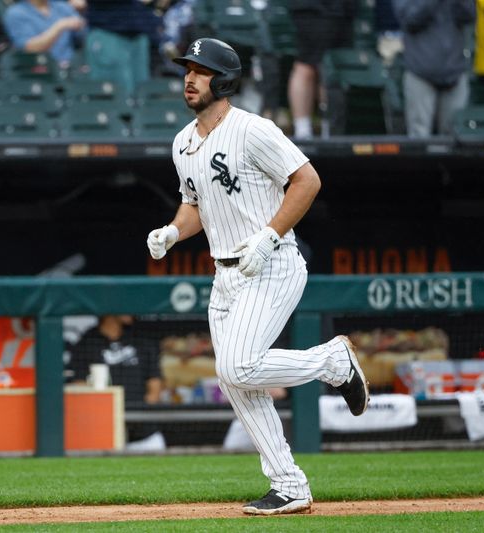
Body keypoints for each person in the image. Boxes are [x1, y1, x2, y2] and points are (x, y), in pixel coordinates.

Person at [146, 38, 369, 516]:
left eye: (200, 71)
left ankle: (334, 362)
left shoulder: (253, 130)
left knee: (238, 367)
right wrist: (172, 231)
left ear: (223, 79)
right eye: (187, 69)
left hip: (272, 262)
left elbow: (306, 180)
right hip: (225, 272)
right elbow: (195, 206)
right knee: (236, 384)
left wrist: (269, 235)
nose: (189, 78)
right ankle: (290, 486)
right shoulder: (183, 142)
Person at [68, 314, 165, 450]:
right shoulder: (88, 342)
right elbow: (79, 385)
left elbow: (155, 388)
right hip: (104, 431)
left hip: (143, 432)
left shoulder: (140, 338)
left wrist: (138, 417)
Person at [393, 0, 475, 138]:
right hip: (420, 71)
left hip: (454, 71)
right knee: (419, 136)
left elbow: (469, 15)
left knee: (454, 137)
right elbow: (409, 19)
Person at [287, 0, 356, 139]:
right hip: (314, 10)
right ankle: (303, 130)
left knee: (333, 69)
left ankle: (330, 127)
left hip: (342, 11)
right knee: (307, 65)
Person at [3, 0, 86, 67]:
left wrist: (83, 10)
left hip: (71, 67)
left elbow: (84, 34)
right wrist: (59, 26)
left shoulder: (62, 7)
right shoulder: (15, 13)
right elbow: (30, 47)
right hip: (40, 71)